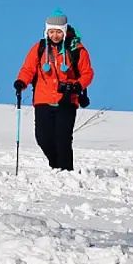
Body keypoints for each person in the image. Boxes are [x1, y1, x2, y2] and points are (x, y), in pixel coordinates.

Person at [13, 9, 94, 171]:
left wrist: (78, 85)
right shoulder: (39, 48)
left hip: (67, 99)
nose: (54, 35)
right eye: (51, 32)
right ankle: (56, 165)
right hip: (43, 99)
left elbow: (87, 73)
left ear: (64, 31)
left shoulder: (76, 49)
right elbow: (28, 69)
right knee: (43, 138)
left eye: (58, 32)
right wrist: (22, 82)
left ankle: (66, 171)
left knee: (63, 139)